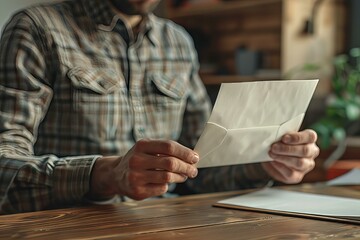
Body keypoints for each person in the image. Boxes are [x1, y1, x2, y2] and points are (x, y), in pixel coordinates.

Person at [0, 0, 319, 214]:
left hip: (167, 224)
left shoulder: (178, 42)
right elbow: (5, 167)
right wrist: (105, 175)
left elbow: (199, 168)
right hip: (66, 224)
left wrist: (266, 164)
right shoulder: (36, 28)